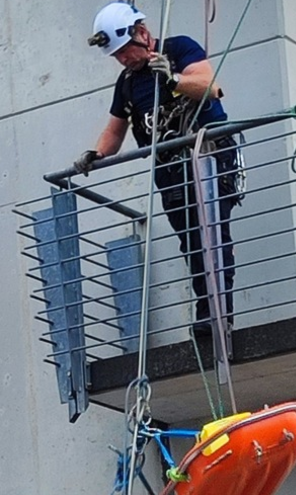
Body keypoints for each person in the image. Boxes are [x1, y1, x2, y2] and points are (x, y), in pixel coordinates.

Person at [74, 2, 245, 337]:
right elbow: (116, 130)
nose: (123, 59)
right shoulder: (127, 83)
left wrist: (173, 78)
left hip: (207, 153)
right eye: (117, 55)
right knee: (192, 241)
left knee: (213, 232)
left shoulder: (178, 49)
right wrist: (96, 153)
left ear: (142, 33)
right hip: (170, 169)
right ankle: (208, 312)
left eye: (125, 51)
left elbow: (211, 87)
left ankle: (217, 315)